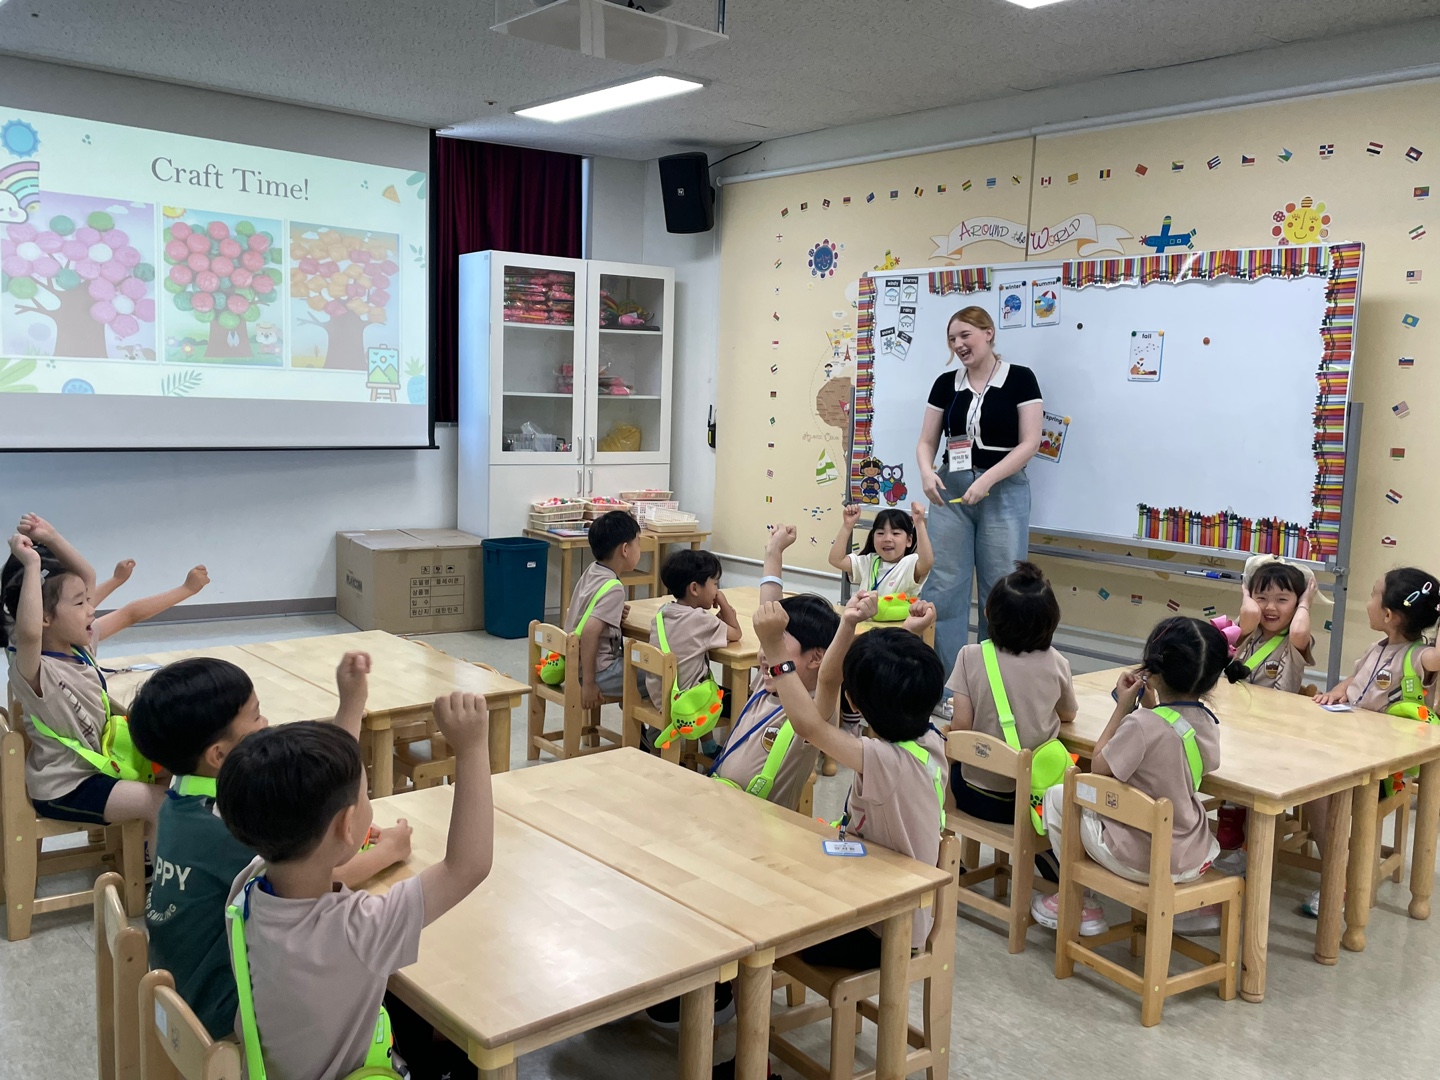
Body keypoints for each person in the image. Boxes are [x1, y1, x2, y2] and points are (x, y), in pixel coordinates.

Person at [129, 653, 411, 1040]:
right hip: (225, 1017)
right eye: (257, 716)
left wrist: (350, 704)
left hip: (181, 993)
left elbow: (321, 783)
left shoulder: (181, 799)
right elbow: (325, 878)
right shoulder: (225, 824)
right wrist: (389, 852)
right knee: (380, 979)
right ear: (219, 755)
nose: (267, 724)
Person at [218, 690, 494, 1080]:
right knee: (465, 1052)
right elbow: (468, 866)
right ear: (347, 827)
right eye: (365, 795)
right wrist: (471, 748)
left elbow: (318, 793)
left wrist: (351, 705)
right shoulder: (357, 929)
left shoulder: (249, 883)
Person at [753, 593, 946, 969]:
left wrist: (777, 650)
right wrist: (860, 625)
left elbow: (807, 724)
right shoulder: (930, 740)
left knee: (764, 912)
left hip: (882, 931)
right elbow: (832, 679)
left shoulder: (883, 760)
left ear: (854, 705)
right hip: (881, 900)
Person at [1029, 617, 1246, 937]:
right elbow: (1204, 761)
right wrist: (1152, 708)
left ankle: (1078, 900)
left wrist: (1125, 708)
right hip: (1190, 856)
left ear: (1153, 670)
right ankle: (1191, 907)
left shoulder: (1142, 724)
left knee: (1060, 795)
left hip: (1138, 859)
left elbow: (1099, 767)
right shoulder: (1207, 722)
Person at [2, 521, 165, 829]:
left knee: (178, 771)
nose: (92, 609)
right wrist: (33, 564)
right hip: (65, 787)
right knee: (160, 803)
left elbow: (88, 576)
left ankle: (147, 854)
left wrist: (50, 537)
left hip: (98, 766)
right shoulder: (35, 668)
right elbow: (27, 632)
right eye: (80, 603)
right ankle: (157, 876)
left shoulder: (80, 646)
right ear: (45, 618)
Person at [1302, 567, 1440, 916]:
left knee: (1318, 792)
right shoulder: (1376, 648)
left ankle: (1341, 875)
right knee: (1309, 778)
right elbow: (1356, 678)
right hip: (1351, 751)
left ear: (1390, 615)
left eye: (1373, 595)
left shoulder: (1419, 657)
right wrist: (1338, 690)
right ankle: (1339, 860)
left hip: (1385, 771)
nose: (1368, 603)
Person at [915, 306, 1043, 677]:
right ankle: (942, 686)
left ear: (988, 333)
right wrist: (926, 473)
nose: (959, 345)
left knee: (1001, 591)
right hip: (951, 491)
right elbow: (926, 441)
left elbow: (1030, 442)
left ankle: (993, 686)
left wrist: (986, 481)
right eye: (952, 339)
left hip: (1001, 489)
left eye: (965, 335)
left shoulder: (1020, 379)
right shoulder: (945, 384)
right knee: (944, 587)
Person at [708, 525, 840, 810]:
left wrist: (851, 622)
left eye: (777, 643)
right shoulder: (766, 684)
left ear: (816, 658)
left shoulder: (814, 706)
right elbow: (768, 608)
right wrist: (773, 552)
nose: (768, 653)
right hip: (722, 805)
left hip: (764, 831)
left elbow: (832, 674)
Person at [947, 562, 1076, 836]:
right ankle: (1046, 856)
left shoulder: (970, 656)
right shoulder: (1057, 663)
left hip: (975, 796)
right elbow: (1068, 714)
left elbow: (960, 727)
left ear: (988, 614)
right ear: (1051, 622)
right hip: (1034, 802)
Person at [646, 548, 742, 708]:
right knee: (741, 701)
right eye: (715, 584)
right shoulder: (699, 619)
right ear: (695, 589)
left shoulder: (663, 612)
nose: (717, 590)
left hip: (662, 696)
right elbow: (736, 632)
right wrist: (723, 602)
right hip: (689, 702)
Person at [565, 510, 642, 709]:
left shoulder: (593, 570)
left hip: (573, 664)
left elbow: (586, 608)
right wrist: (589, 684)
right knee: (662, 675)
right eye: (638, 544)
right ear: (625, 549)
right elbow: (590, 631)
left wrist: (613, 615)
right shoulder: (614, 588)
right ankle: (649, 736)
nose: (639, 550)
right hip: (598, 673)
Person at [1233, 559, 1317, 693]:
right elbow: (1250, 612)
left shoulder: (1294, 638)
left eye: (1282, 600)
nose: (1270, 607)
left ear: (1297, 602)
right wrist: (1246, 594)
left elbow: (1299, 632)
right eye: (1261, 598)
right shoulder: (1247, 625)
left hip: (1275, 710)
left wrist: (1305, 603)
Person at [827, 503, 933, 602]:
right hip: (865, 621)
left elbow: (927, 562)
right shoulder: (869, 561)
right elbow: (836, 560)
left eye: (895, 533)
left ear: (909, 541)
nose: (887, 539)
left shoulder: (909, 563)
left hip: (899, 622)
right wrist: (847, 525)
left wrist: (919, 523)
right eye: (881, 533)